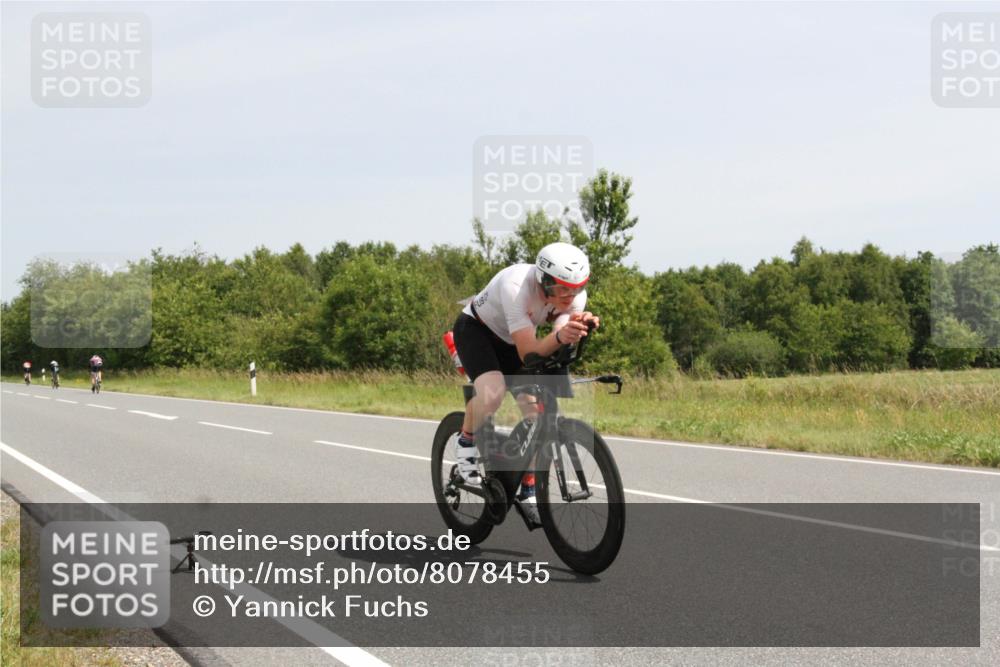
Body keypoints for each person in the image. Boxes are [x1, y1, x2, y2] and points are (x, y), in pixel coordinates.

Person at [451, 242, 600, 525]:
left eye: (577, 288)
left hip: (515, 339)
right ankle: (466, 443)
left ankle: (527, 490)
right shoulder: (516, 286)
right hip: (478, 332)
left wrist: (573, 329)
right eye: (562, 289)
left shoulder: (575, 296)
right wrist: (559, 337)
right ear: (544, 281)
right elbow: (529, 353)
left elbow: (556, 337)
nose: (570, 296)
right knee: (493, 393)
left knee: (538, 414)